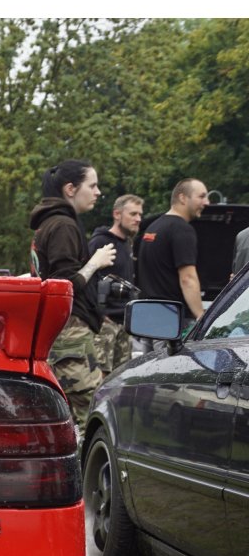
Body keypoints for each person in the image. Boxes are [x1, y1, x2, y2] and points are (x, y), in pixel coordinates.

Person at [29, 160, 117, 430]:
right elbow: (62, 285)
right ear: (70, 189)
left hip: (63, 335)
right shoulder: (63, 226)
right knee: (93, 416)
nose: (98, 192)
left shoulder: (48, 224)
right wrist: (96, 262)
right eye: (92, 185)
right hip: (71, 337)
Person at [138, 178, 210, 324]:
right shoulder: (182, 229)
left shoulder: (153, 227)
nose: (207, 202)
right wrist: (201, 317)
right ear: (182, 198)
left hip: (148, 319)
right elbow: (187, 278)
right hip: (172, 322)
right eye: (201, 196)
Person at [87, 193, 143, 374]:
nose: (138, 219)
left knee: (120, 377)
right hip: (106, 323)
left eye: (140, 215)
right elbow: (88, 278)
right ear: (117, 214)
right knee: (100, 376)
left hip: (125, 322)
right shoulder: (101, 241)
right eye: (133, 214)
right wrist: (100, 314)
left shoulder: (127, 244)